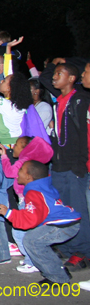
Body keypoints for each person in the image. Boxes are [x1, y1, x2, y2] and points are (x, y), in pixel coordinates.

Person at [37, 59, 90, 271]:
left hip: (74, 166)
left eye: (59, 73)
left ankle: (83, 252)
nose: (54, 77)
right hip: (59, 165)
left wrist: (80, 165)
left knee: (78, 210)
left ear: (72, 78)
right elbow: (43, 77)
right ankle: (67, 247)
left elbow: (84, 135)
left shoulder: (80, 100)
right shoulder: (60, 100)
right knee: (63, 209)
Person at [0, 161, 80, 285]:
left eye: (21, 171)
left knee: (32, 241)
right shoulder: (41, 187)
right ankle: (59, 270)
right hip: (67, 223)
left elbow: (30, 220)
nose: (17, 173)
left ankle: (57, 277)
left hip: (62, 225)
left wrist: (9, 213)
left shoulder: (34, 193)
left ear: (29, 177)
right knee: (36, 240)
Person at [0, 136, 54, 274]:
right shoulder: (36, 163)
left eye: (16, 145)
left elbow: (10, 172)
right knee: (28, 231)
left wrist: (4, 157)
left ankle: (32, 261)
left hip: (27, 201)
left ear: (25, 148)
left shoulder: (24, 162)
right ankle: (31, 259)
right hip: (31, 201)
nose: (13, 147)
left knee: (19, 231)